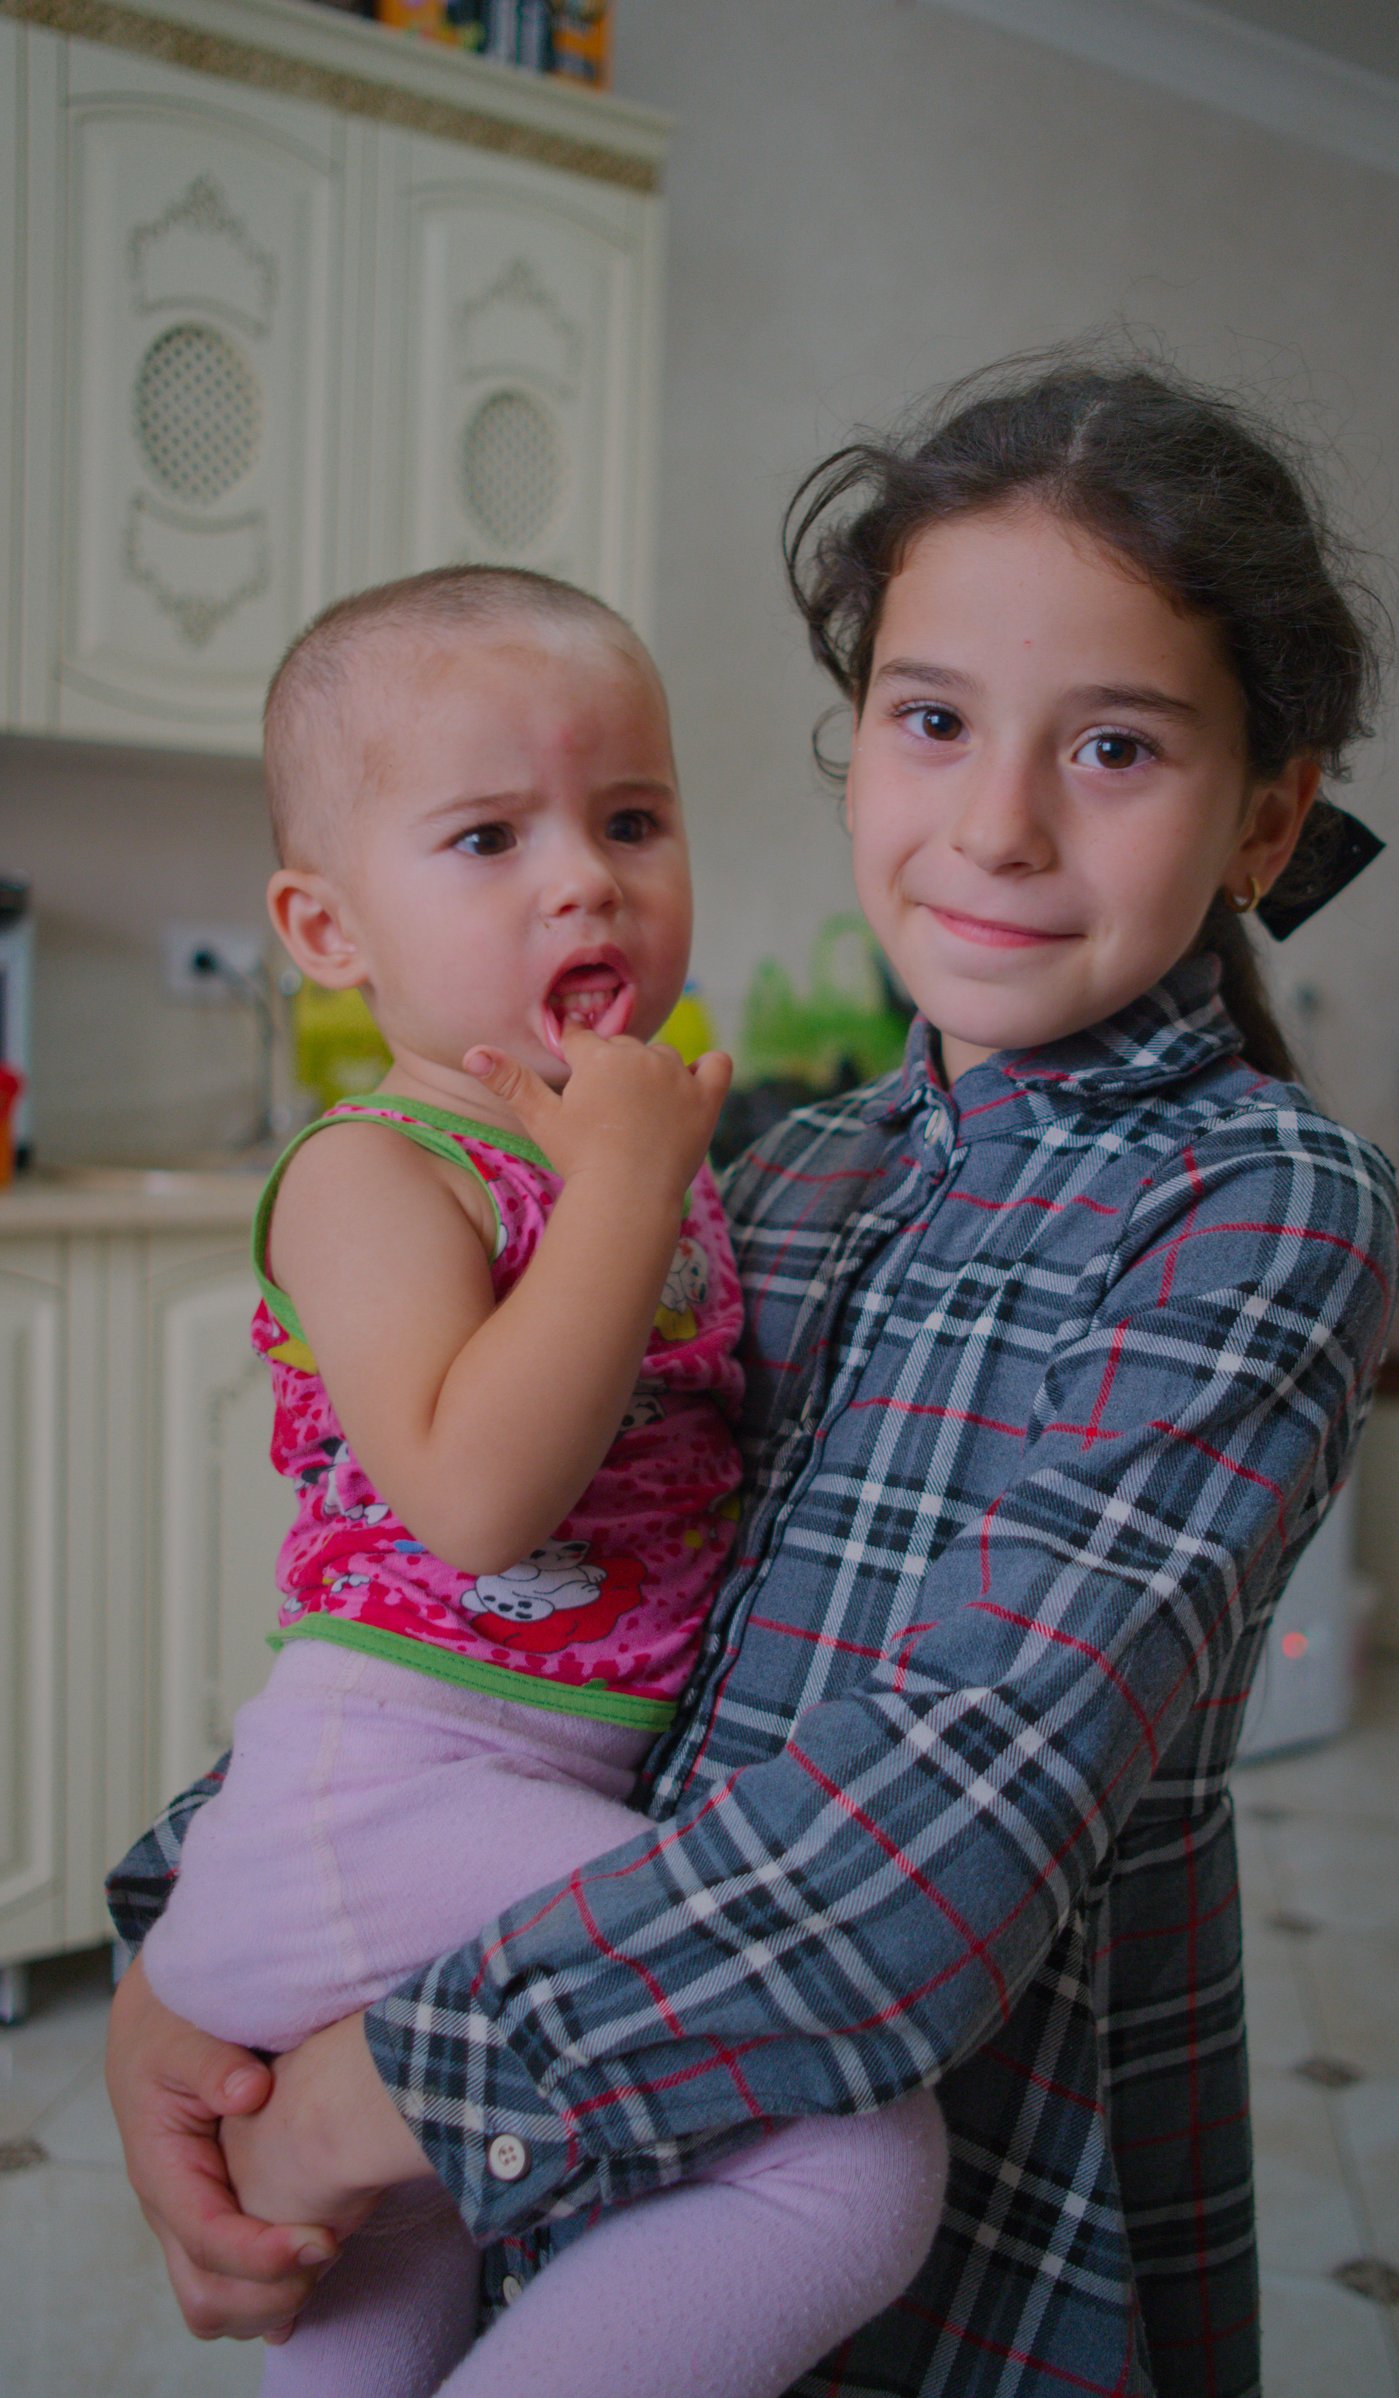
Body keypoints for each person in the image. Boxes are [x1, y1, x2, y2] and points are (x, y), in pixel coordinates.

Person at [107, 352, 1399, 2398]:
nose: (991, 820)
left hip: (973, 2201)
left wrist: (377, 2082)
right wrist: (181, 1946)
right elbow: (480, 1591)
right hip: (599, 2140)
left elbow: (929, 1849)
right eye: (929, 718)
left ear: (1264, 814)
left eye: (1120, 746)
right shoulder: (776, 1172)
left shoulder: (1258, 1207)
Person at [126, 565, 949, 2398]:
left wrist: (634, 1176)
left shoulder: (617, 1155)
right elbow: (477, 1496)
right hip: (395, 1785)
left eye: (632, 819)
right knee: (850, 2150)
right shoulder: (374, 1171)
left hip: (505, 1782)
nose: (584, 877)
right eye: (489, 835)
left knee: (410, 2232)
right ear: (326, 927)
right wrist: (630, 1187)